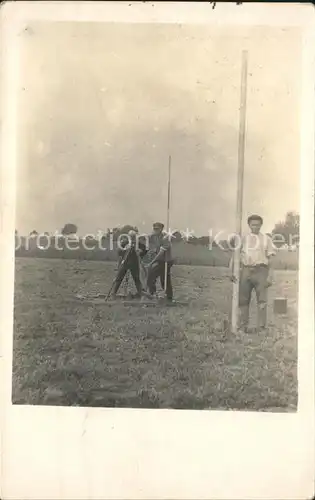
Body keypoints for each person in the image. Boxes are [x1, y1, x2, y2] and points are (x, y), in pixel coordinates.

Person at [231, 214, 276, 331]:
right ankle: (243, 326)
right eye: (253, 225)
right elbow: (235, 256)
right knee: (243, 299)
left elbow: (271, 258)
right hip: (246, 270)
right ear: (249, 225)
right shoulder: (243, 239)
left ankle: (261, 327)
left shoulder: (267, 239)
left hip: (261, 271)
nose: (255, 227)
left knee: (262, 300)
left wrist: (270, 275)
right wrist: (230, 271)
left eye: (257, 224)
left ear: (261, 225)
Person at [111, 229, 147, 298]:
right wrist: (125, 249)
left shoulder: (138, 244)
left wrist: (140, 251)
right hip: (125, 263)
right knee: (119, 278)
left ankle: (140, 293)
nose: (132, 238)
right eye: (131, 236)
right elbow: (119, 251)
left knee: (136, 279)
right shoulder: (124, 242)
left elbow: (144, 250)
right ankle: (113, 293)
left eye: (133, 236)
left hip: (134, 264)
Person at [146, 222, 174, 302]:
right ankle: (154, 293)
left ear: (161, 229)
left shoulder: (165, 238)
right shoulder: (155, 237)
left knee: (162, 279)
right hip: (160, 260)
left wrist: (151, 262)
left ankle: (166, 297)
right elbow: (157, 249)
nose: (155, 230)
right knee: (153, 275)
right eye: (154, 228)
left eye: (157, 229)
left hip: (166, 261)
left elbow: (161, 253)